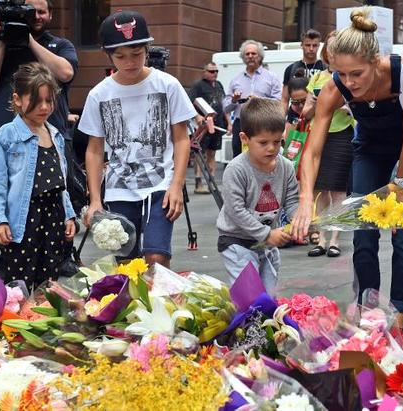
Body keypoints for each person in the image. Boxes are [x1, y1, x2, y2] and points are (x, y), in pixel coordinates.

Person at [291, 7, 403, 327]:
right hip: (371, 148)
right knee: (363, 231)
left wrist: (399, 187)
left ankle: (400, 317)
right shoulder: (334, 87)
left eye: (356, 74)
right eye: (341, 74)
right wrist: (305, 201)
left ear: (375, 62)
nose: (349, 83)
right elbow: (313, 150)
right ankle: (369, 311)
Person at [80, 10, 196, 269]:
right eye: (120, 56)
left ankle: (159, 305)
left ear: (147, 48)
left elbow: (181, 138)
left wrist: (177, 185)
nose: (130, 62)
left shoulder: (167, 85)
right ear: (107, 54)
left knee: (157, 256)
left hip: (160, 184)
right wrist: (95, 200)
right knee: (126, 261)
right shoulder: (99, 94)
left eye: (137, 54)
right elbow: (95, 150)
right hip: (119, 186)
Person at [0, 0, 77, 234]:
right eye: (30, 12)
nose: (36, 17)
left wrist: (28, 40)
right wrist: (1, 44)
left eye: (41, 12)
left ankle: (64, 256)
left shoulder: (59, 44)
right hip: (8, 137)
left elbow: (65, 73)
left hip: (51, 134)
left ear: (50, 14)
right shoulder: (1, 46)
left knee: (59, 193)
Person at [0, 62, 76, 289]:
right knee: (18, 283)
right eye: (37, 101)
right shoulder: (5, 136)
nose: (44, 107)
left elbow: (62, 182)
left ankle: (40, 319)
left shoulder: (55, 134)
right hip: (23, 220)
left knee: (49, 284)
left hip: (53, 217)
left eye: (49, 100)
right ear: (18, 99)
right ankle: (14, 323)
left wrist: (68, 215)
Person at [216, 98, 299, 292]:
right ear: (244, 139)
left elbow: (292, 200)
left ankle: (262, 322)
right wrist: (267, 234)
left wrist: (299, 222)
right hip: (237, 241)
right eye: (263, 142)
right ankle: (246, 322)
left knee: (268, 296)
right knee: (249, 296)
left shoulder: (286, 166)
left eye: (277, 141)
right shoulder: (236, 169)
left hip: (268, 243)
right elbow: (236, 210)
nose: (271, 148)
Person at [301, 30, 355, 257]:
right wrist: (314, 103)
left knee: (339, 192)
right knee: (320, 190)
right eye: (330, 47)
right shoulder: (317, 78)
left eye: (337, 47)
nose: (333, 51)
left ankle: (335, 239)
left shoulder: (348, 77)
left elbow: (359, 110)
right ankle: (321, 239)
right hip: (319, 135)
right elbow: (304, 112)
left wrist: (345, 107)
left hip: (342, 135)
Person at [223, 40, 282, 158]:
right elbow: (225, 107)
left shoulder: (271, 78)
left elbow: (278, 102)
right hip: (241, 124)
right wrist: (234, 100)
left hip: (264, 122)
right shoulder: (236, 80)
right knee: (239, 157)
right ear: (243, 57)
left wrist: (259, 101)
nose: (250, 56)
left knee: (262, 156)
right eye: (247, 54)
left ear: (260, 56)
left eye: (253, 54)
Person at [188, 62, 231, 194]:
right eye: (211, 71)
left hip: (217, 124)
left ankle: (211, 181)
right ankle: (198, 182)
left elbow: (224, 105)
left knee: (212, 153)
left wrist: (229, 122)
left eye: (216, 71)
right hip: (203, 125)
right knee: (200, 154)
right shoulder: (198, 86)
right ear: (205, 72)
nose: (215, 74)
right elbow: (189, 103)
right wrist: (198, 117)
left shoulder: (218, 85)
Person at [281, 29, 325, 111]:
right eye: (308, 45)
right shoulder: (291, 69)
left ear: (319, 46)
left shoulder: (325, 67)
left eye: (314, 45)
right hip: (295, 114)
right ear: (301, 45)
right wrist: (282, 120)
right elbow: (284, 99)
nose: (311, 49)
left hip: (319, 111)